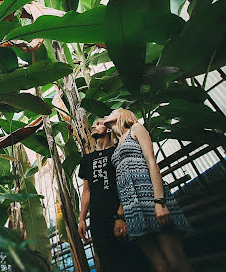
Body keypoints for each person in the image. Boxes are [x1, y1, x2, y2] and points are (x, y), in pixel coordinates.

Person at [104, 108, 193, 272]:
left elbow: (151, 161)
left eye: (112, 112)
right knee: (159, 267)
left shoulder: (136, 129)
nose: (106, 115)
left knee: (176, 261)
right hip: (132, 208)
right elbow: (123, 183)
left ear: (124, 114)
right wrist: (120, 216)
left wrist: (159, 201)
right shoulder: (116, 146)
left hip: (150, 197)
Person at [78, 118, 146, 272]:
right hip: (97, 220)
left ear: (108, 129)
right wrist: (82, 218)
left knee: (132, 259)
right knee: (108, 262)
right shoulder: (86, 160)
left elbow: (126, 183)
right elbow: (86, 191)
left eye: (98, 123)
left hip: (120, 214)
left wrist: (121, 216)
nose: (94, 126)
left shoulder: (117, 151)